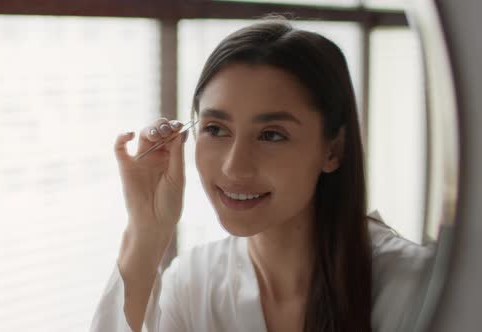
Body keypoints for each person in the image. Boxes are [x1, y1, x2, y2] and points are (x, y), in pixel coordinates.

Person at [91, 16, 434, 332]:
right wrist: (146, 231)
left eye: (272, 135)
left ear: (333, 149)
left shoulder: (414, 286)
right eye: (216, 128)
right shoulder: (195, 283)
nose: (234, 167)